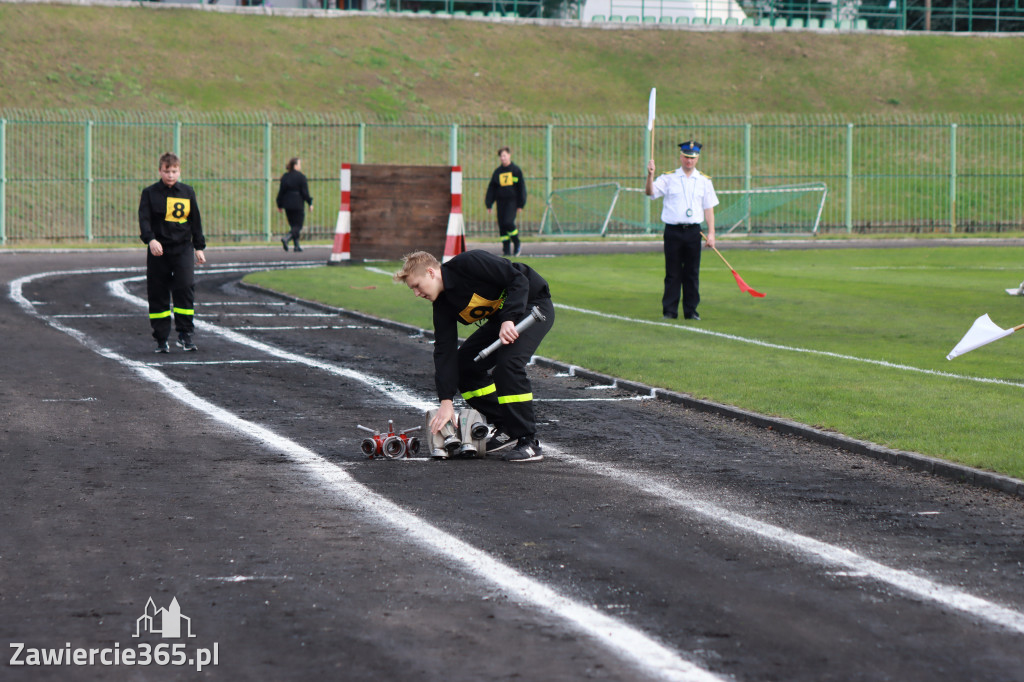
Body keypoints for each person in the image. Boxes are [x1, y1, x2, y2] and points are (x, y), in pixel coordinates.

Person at [394, 250, 555, 463]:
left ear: (431, 273)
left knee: (508, 365)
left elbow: (518, 279)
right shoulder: (442, 305)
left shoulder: (470, 263)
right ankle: (506, 425)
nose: (416, 293)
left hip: (532, 306)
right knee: (464, 366)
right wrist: (446, 401)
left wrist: (509, 318)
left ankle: (529, 441)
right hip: (505, 318)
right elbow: (444, 351)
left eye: (417, 286)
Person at [138, 152, 207, 353]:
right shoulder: (150, 193)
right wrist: (150, 240)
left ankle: (185, 334)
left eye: (174, 171)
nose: (170, 175)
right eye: (167, 171)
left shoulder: (187, 192)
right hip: (159, 251)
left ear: (179, 171)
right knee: (158, 292)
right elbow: (144, 220)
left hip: (183, 248)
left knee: (185, 287)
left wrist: (199, 247)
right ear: (160, 171)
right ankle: (161, 338)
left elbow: (195, 220)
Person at [646, 140, 719, 321]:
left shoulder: (704, 181)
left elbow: (709, 209)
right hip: (673, 231)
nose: (689, 161)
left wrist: (711, 234)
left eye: (692, 158)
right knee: (673, 272)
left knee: (692, 273)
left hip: (694, 231)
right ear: (680, 157)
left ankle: (691, 311)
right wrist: (650, 176)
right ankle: (669, 311)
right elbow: (650, 193)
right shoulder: (668, 178)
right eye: (686, 157)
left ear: (697, 159)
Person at [485, 146, 527, 257]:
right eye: (501, 156)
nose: (503, 158)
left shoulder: (516, 171)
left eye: (504, 155)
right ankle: (506, 250)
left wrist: (521, 203)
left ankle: (517, 243)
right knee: (502, 226)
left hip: (512, 202)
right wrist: (489, 203)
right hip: (500, 202)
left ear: (509, 155)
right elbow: (492, 188)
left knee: (508, 222)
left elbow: (521, 188)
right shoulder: (497, 172)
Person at [276, 157, 313, 252]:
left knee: (293, 225)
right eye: (299, 164)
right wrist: (310, 202)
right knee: (298, 226)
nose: (300, 166)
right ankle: (287, 238)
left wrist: (279, 204)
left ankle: (296, 245)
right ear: (295, 166)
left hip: (287, 204)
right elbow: (305, 193)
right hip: (297, 203)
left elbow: (281, 192)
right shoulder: (301, 177)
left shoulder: (285, 176)